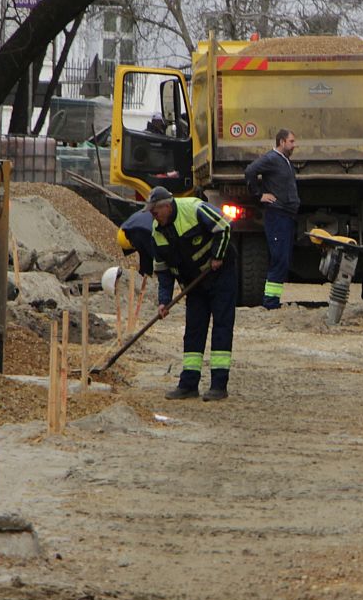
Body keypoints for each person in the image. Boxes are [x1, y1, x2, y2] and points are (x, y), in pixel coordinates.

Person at [147, 186, 237, 402]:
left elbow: (224, 226)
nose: (153, 216)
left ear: (167, 207)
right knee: (194, 330)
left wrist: (217, 256)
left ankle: (218, 385)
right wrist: (164, 301)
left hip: (220, 275)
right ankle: (188, 384)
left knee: (221, 327)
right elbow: (163, 270)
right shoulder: (157, 231)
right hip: (194, 283)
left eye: (155, 212)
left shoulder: (194, 209)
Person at [244, 129, 300, 309]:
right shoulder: (271, 159)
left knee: (283, 258)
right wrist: (258, 195)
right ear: (282, 142)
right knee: (278, 258)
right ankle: (270, 302)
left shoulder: (285, 161)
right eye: (291, 141)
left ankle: (273, 300)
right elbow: (250, 171)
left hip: (287, 215)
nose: (294, 145)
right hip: (277, 215)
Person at [117, 210, 156, 277]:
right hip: (127, 236)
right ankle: (145, 275)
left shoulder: (149, 211)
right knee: (148, 253)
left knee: (144, 252)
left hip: (122, 232)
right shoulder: (151, 224)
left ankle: (144, 275)